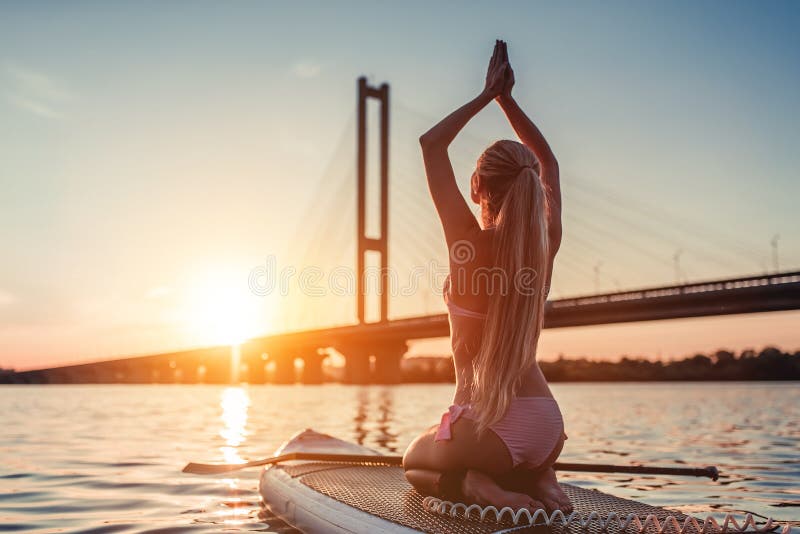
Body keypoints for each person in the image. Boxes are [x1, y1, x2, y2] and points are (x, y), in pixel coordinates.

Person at [402, 40, 572, 514]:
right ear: (532, 186)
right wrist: (507, 100)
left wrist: (484, 94)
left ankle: (483, 488)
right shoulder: (545, 246)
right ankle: (543, 480)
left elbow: (431, 144)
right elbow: (551, 163)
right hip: (547, 426)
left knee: (415, 462)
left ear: (477, 187)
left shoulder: (466, 244)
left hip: (491, 430)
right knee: (500, 454)